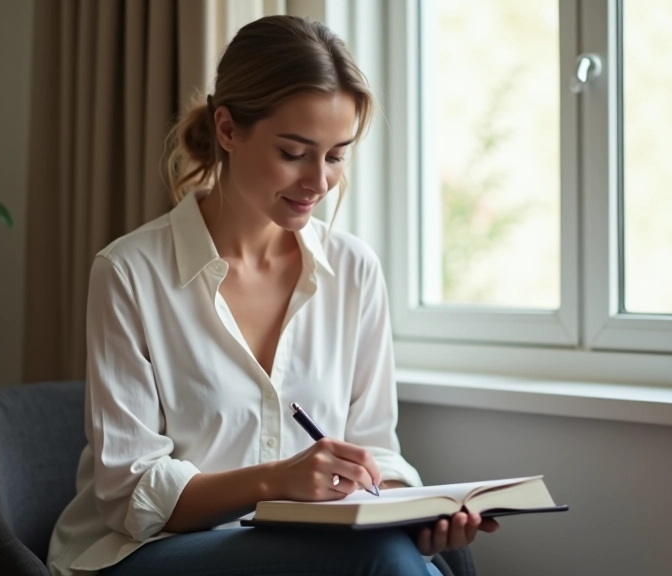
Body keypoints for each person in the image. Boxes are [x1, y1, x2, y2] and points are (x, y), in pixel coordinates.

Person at [46, 14, 498, 576]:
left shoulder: (354, 270)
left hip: (314, 553)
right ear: (228, 130)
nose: (319, 182)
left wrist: (411, 511)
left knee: (400, 555)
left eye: (336, 155)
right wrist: (275, 481)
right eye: (294, 153)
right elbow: (129, 494)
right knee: (381, 560)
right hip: (148, 552)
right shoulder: (129, 272)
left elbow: (376, 452)